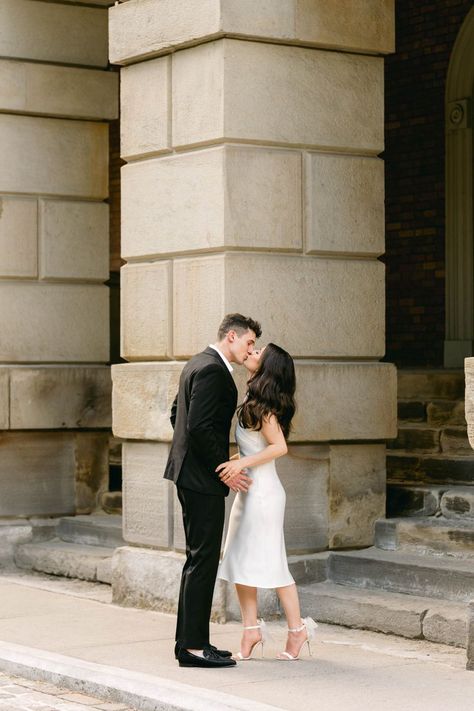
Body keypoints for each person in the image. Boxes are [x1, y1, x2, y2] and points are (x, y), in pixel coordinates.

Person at [164, 313, 262, 668]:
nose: (251, 349)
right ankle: (192, 647)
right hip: (201, 481)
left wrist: (189, 455)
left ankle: (190, 642)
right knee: (202, 561)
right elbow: (199, 426)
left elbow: (179, 415)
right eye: (249, 342)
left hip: (191, 476)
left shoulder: (197, 363)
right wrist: (225, 471)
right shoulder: (211, 370)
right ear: (232, 336)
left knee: (197, 560)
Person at [216, 343, 317, 661]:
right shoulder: (254, 400)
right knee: (238, 560)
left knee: (273, 564)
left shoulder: (265, 408)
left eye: (258, 352)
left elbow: (279, 447)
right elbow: (253, 448)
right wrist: (235, 461)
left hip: (265, 496)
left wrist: (240, 465)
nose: (252, 352)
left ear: (267, 368)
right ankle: (251, 631)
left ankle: (297, 630)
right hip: (250, 494)